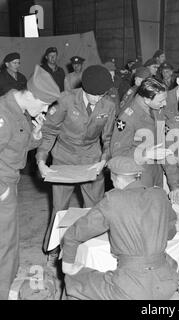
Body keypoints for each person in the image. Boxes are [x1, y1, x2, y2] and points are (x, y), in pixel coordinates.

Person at [62, 156, 178, 300]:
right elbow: (170, 232)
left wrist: (68, 267)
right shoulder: (159, 195)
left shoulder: (113, 200)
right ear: (138, 176)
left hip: (131, 288)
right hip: (167, 282)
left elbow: (73, 234)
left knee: (73, 280)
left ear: (116, 178)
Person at [36, 65, 116, 263]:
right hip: (64, 158)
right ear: (84, 88)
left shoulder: (109, 105)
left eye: (102, 95)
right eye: (93, 95)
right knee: (60, 207)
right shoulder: (65, 100)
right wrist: (41, 160)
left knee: (94, 208)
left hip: (91, 160)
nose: (98, 99)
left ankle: (91, 247)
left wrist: (104, 160)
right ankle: (53, 247)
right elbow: (49, 131)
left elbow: (108, 139)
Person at [0, 65, 60, 300]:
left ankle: (8, 279)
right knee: (3, 242)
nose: (45, 110)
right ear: (31, 95)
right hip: (2, 183)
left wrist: (35, 139)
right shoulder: (3, 115)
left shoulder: (19, 109)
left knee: (10, 238)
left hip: (9, 180)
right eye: (44, 105)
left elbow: (15, 147)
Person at [110, 78, 173, 188]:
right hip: (138, 175)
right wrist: (146, 154)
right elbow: (117, 154)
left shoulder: (154, 107)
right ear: (147, 100)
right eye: (161, 101)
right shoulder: (127, 118)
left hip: (156, 169)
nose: (164, 103)